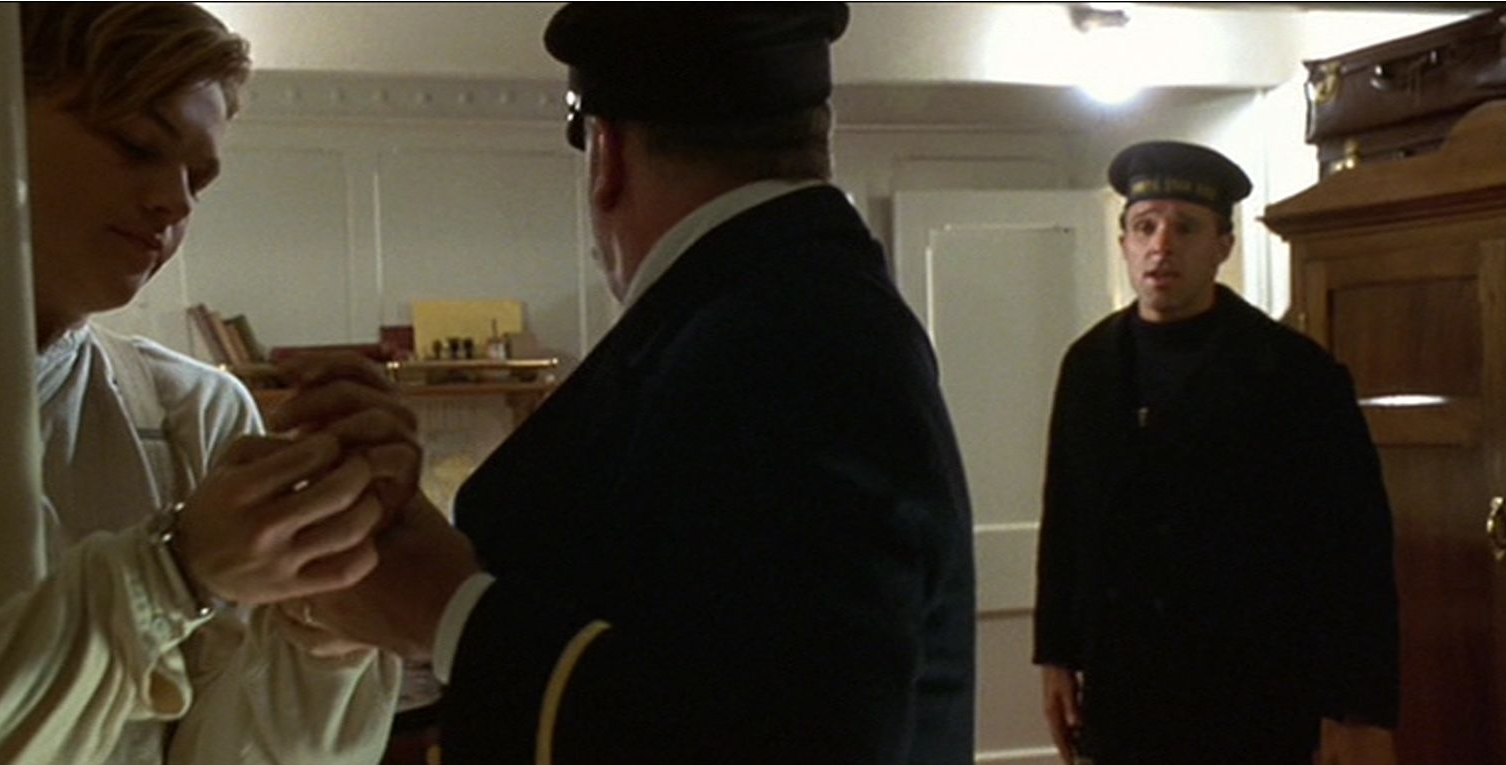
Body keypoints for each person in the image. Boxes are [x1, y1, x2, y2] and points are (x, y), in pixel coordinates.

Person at [273, 5, 978, 763]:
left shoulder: (784, 333)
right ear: (818, 137)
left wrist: (448, 614)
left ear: (604, 155)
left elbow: (798, 732)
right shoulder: (783, 307)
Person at [0, 4, 407, 763]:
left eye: (198, 178)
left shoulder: (199, 412)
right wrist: (169, 575)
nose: (175, 202)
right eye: (136, 146)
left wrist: (324, 635)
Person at [1032, 141, 1400, 765]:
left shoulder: (1292, 372)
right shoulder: (1091, 365)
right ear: (1124, 243)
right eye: (1145, 227)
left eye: (1185, 228)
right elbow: (1065, 520)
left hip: (1252, 691)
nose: (1162, 245)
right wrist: (1056, 655)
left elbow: (1354, 549)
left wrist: (1358, 710)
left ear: (1222, 246)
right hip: (1125, 690)